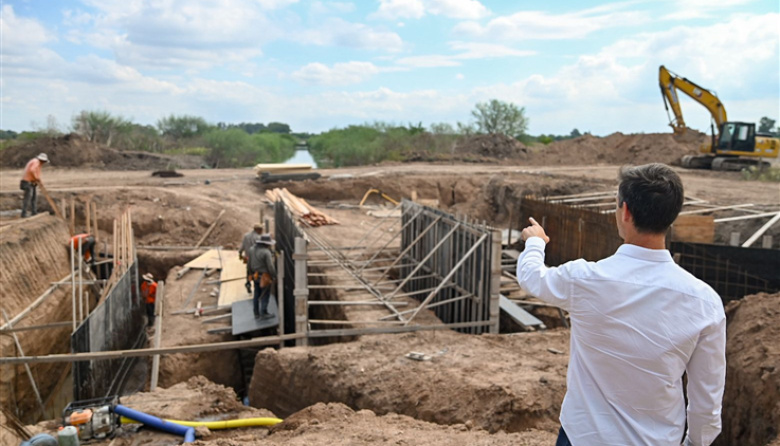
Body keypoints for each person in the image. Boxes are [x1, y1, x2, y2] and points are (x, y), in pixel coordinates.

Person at [516, 163, 725, 446]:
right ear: (671, 215)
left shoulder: (585, 279)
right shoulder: (704, 302)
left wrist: (535, 244)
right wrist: (695, 442)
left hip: (582, 438)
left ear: (625, 211)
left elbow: (532, 278)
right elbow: (706, 399)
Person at [248, 234, 276, 319]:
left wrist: (250, 274)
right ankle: (263, 313)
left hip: (255, 275)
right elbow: (270, 266)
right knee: (265, 294)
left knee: (256, 294)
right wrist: (274, 276)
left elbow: (249, 264)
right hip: (264, 277)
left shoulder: (251, 249)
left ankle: (256, 313)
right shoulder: (266, 252)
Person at [20, 153, 49, 218]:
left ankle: (34, 211)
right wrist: (37, 178)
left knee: (34, 197)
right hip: (27, 182)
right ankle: (24, 213)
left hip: (31, 182)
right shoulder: (36, 162)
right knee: (28, 198)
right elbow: (32, 170)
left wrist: (37, 180)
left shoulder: (36, 162)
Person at [239, 223, 264, 294]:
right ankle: (256, 287)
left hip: (247, 258)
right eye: (261, 230)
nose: (262, 231)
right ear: (258, 230)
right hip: (256, 259)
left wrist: (240, 254)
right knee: (256, 272)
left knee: (248, 272)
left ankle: (248, 283)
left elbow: (242, 246)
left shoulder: (246, 236)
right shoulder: (259, 238)